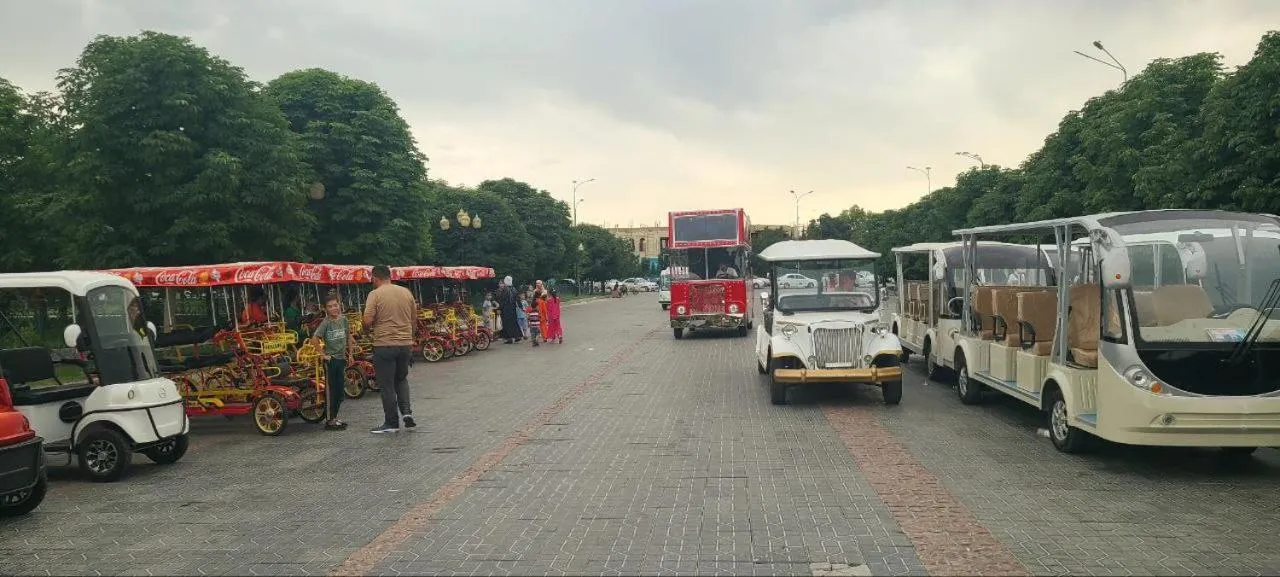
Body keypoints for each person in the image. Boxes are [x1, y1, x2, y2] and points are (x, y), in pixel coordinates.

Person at [363, 265, 417, 434]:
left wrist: (366, 331)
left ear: (375, 277)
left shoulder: (375, 294)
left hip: (384, 344)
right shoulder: (406, 293)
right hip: (405, 344)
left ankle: (391, 422)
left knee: (386, 385)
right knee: (401, 379)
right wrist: (409, 339)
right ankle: (407, 412)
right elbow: (414, 321)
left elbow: (367, 320)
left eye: (372, 279)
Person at [311, 295, 355, 431]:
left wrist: (351, 354)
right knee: (332, 391)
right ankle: (330, 420)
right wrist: (323, 355)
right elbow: (314, 338)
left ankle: (335, 417)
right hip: (331, 360)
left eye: (335, 305)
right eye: (330, 306)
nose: (333, 308)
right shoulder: (326, 322)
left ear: (339, 305)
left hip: (341, 358)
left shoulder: (343, 320)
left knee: (340, 390)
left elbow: (348, 336)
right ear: (326, 309)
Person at [499, 276, 521, 343]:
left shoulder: (505, 290)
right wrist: (521, 307)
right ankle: (517, 336)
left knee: (507, 323)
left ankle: (509, 338)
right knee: (514, 322)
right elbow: (518, 299)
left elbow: (503, 300)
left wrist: (500, 308)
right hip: (513, 308)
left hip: (506, 309)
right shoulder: (514, 289)